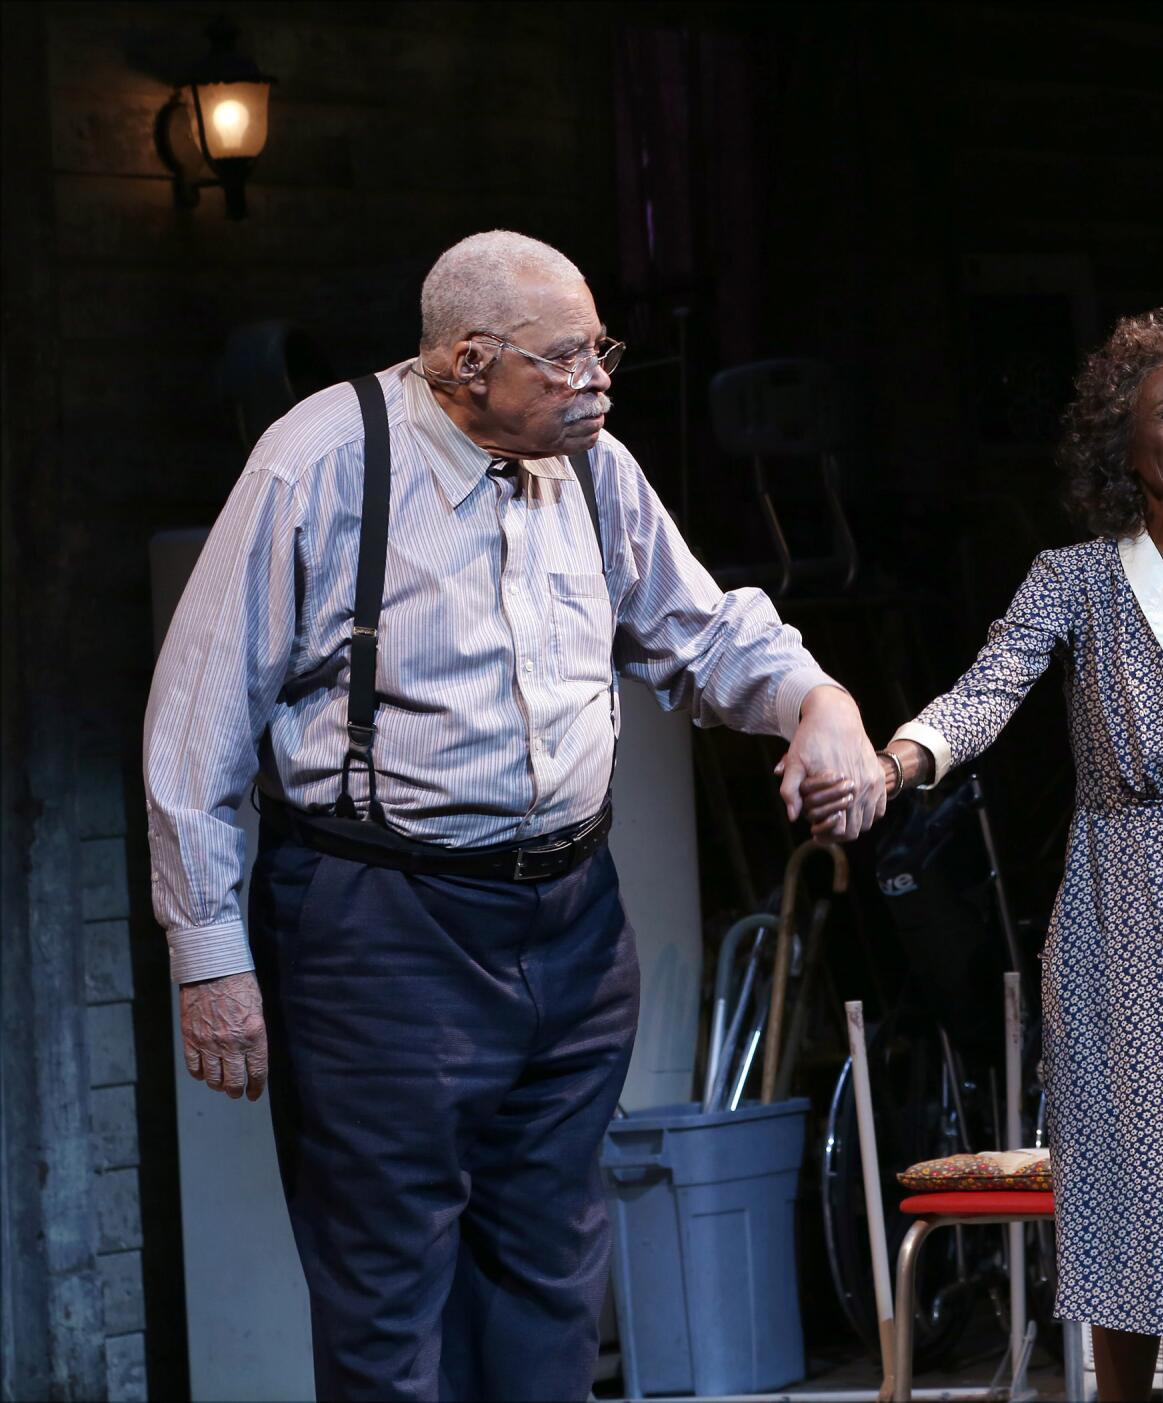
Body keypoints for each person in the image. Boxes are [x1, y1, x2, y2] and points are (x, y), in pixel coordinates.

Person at [144, 230, 884, 1401]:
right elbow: (196, 725)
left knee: (546, 1275)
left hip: (570, 920)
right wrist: (209, 953)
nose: (598, 379)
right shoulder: (323, 463)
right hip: (381, 923)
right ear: (467, 362)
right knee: (389, 1294)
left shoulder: (590, 462)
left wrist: (817, 701)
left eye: (603, 350)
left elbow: (700, 631)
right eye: (566, 358)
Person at [867, 307, 1163, 1403]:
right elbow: (989, 688)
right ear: (1124, 448)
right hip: (1122, 911)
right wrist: (902, 759)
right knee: (1128, 1186)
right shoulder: (1074, 578)